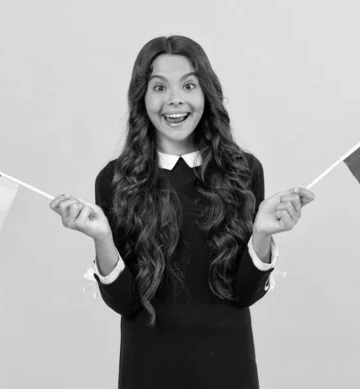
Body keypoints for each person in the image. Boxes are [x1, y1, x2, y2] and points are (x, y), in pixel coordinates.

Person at [49, 35, 315, 389]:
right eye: (159, 87)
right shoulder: (115, 181)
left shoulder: (244, 172)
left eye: (188, 85)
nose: (174, 99)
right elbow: (126, 303)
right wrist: (102, 239)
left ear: (206, 93)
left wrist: (262, 235)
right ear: (142, 98)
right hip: (147, 370)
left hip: (228, 369)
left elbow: (244, 294)